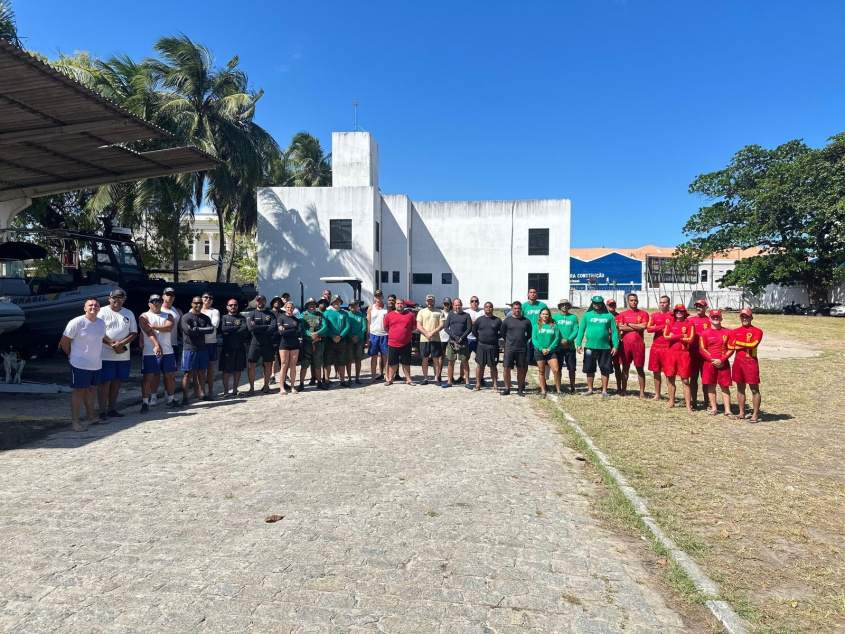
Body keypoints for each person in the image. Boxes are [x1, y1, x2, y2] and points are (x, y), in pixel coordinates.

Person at [60, 298, 108, 431]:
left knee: (92, 389)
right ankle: (75, 422)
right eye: (90, 305)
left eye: (96, 305)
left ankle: (91, 417)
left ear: (99, 308)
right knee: (79, 391)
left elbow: (101, 339)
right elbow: (64, 342)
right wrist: (70, 355)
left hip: (96, 363)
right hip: (79, 364)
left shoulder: (101, 323)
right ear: (85, 308)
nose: (93, 307)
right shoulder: (77, 322)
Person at [97, 288, 138, 420]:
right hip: (105, 353)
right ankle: (102, 411)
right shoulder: (102, 311)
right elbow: (98, 331)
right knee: (105, 382)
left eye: (121, 298)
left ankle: (112, 408)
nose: (118, 301)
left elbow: (134, 332)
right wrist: (113, 344)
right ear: (110, 299)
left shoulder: (128, 313)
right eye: (115, 298)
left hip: (123, 354)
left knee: (116, 381)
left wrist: (121, 344)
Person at [138, 294, 177, 413]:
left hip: (168, 350)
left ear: (161, 302)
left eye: (158, 301)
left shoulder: (168, 315)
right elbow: (147, 332)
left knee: (170, 375)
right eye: (153, 301)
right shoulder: (144, 316)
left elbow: (169, 328)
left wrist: (154, 326)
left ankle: (170, 399)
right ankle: (145, 403)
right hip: (150, 352)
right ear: (149, 303)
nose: (156, 304)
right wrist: (157, 345)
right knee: (148, 377)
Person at [575, 296, 619, 398]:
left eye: (599, 303)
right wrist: (578, 344)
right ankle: (590, 389)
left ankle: (604, 390)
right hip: (590, 347)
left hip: (605, 347)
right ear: (592, 303)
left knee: (605, 369)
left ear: (602, 303)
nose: (597, 305)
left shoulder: (609, 316)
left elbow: (614, 332)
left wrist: (615, 346)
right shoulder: (587, 316)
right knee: (589, 368)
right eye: (595, 303)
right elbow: (581, 330)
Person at [729, 308, 763, 423]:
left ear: (751, 318)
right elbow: (730, 346)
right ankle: (741, 412)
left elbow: (753, 345)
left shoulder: (757, 331)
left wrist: (738, 343)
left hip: (750, 361)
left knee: (754, 389)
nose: (744, 319)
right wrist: (743, 345)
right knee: (740, 388)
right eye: (742, 317)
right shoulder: (735, 331)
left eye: (747, 317)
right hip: (738, 361)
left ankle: (755, 414)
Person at [180, 296, 215, 403]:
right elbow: (188, 331)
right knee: (188, 373)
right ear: (192, 304)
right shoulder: (186, 317)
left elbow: (211, 329)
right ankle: (185, 397)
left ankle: (202, 394)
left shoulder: (205, 318)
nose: (198, 305)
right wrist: (202, 330)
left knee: (201, 372)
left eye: (200, 303)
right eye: (196, 303)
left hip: (202, 348)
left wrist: (197, 329)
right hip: (190, 349)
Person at [699, 309, 733, 416]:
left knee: (725, 386)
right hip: (709, 363)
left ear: (721, 318)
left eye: (717, 317)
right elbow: (702, 349)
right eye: (713, 317)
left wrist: (721, 360)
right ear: (709, 319)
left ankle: (727, 410)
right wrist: (712, 360)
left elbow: (731, 348)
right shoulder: (704, 333)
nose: (715, 319)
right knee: (711, 386)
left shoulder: (728, 332)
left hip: (723, 363)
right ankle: (714, 408)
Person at [152, 286, 182, 405]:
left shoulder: (177, 311)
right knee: (155, 372)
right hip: (157, 345)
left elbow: (181, 329)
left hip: (172, 345)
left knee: (170, 373)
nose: (169, 296)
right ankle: (153, 396)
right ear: (163, 296)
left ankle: (169, 395)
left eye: (172, 295)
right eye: (167, 294)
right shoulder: (157, 309)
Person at [662, 304, 695, 412]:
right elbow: (666, 337)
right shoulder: (670, 323)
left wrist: (674, 336)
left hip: (683, 354)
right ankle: (671, 401)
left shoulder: (690, 323)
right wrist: (681, 335)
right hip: (671, 354)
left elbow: (690, 339)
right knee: (670, 377)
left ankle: (688, 405)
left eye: (681, 311)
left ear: (685, 312)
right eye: (677, 311)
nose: (679, 313)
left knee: (685, 380)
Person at [615, 293, 649, 398]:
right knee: (625, 367)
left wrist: (629, 324)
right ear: (627, 301)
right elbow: (621, 327)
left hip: (638, 344)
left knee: (639, 368)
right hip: (625, 344)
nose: (633, 302)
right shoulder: (623, 314)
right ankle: (624, 390)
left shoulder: (643, 313)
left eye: (635, 300)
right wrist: (636, 327)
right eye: (631, 300)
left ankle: (642, 392)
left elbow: (644, 326)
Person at [500, 301, 532, 396]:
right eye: (515, 308)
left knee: (521, 369)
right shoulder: (507, 320)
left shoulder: (526, 321)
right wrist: (508, 341)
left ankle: (520, 389)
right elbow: (502, 333)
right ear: (512, 309)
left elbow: (529, 334)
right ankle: (507, 388)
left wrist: (523, 341)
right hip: (510, 348)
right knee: (506, 368)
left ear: (521, 309)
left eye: (519, 308)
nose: (517, 310)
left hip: (522, 348)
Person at [245, 294, 276, 395]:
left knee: (268, 364)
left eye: (262, 300)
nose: (260, 302)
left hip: (267, 343)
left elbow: (272, 328)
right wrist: (265, 326)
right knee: (251, 365)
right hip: (255, 343)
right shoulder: (251, 314)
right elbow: (250, 328)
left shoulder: (271, 314)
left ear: (265, 302)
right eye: (258, 300)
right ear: (256, 302)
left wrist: (258, 327)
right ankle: (251, 388)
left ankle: (266, 386)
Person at [383, 297, 416, 386]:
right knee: (392, 363)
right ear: (395, 304)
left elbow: (413, 327)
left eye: (401, 303)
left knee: (406, 363)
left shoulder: (410, 315)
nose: (399, 305)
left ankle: (408, 379)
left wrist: (406, 334)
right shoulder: (389, 315)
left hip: (406, 343)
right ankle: (390, 379)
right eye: (398, 303)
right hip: (393, 343)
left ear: (404, 305)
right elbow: (386, 328)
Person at [646, 295, 674, 401]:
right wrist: (662, 327)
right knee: (655, 371)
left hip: (668, 347)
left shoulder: (673, 315)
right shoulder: (654, 315)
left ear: (669, 303)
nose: (662, 304)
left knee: (668, 372)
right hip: (656, 347)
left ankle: (671, 396)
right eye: (661, 302)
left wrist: (656, 327)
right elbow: (649, 329)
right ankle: (657, 394)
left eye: (665, 302)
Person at [470, 301, 502, 391]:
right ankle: (478, 384)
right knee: (480, 365)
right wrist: (480, 337)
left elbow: (502, 332)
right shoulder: (479, 320)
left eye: (490, 307)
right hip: (481, 346)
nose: (488, 308)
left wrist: (495, 337)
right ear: (484, 308)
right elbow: (474, 331)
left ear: (492, 308)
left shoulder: (497, 320)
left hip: (493, 347)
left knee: (493, 366)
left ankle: (495, 385)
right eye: (487, 307)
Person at [219, 299, 247, 398]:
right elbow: (223, 329)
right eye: (231, 305)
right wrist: (236, 327)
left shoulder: (242, 318)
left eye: (235, 305)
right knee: (226, 371)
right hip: (227, 348)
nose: (233, 307)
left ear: (237, 306)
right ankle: (226, 391)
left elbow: (243, 329)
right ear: (227, 307)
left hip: (239, 347)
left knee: (238, 370)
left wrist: (231, 330)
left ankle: (235, 389)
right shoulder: (224, 318)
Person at [686, 299, 711, 410]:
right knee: (693, 377)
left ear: (706, 308)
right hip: (693, 352)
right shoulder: (690, 320)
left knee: (706, 378)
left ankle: (707, 402)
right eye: (697, 306)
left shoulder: (710, 321)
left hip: (705, 352)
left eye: (701, 306)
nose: (699, 308)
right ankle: (694, 401)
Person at [532, 307, 562, 398]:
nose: (545, 316)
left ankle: (559, 390)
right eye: (543, 314)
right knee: (541, 371)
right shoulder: (536, 326)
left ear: (549, 315)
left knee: (556, 370)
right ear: (540, 315)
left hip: (551, 352)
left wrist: (549, 348)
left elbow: (557, 338)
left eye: (547, 314)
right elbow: (534, 339)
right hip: (539, 352)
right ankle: (543, 391)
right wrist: (541, 349)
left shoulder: (554, 326)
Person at [442, 298, 472, 388]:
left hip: (463, 342)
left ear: (461, 305)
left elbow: (469, 328)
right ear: (453, 305)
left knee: (464, 361)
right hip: (452, 342)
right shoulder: (450, 315)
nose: (457, 307)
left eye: (459, 305)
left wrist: (461, 338)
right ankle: (449, 381)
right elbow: (446, 328)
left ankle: (467, 382)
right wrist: (455, 338)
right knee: (451, 362)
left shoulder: (466, 315)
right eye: (456, 305)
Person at [323, 295, 351, 387]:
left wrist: (341, 336)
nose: (336, 302)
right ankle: (326, 381)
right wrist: (332, 336)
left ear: (340, 302)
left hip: (341, 340)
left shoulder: (345, 313)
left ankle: (342, 380)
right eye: (335, 301)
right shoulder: (327, 313)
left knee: (342, 361)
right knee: (328, 361)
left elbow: (347, 326)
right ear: (332, 302)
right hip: (330, 340)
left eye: (338, 301)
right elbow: (325, 326)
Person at [416, 294, 444, 385]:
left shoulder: (439, 311)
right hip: (424, 339)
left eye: (431, 301)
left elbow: (441, 324)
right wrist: (426, 334)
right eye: (428, 301)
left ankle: (436, 378)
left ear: (434, 301)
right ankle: (425, 378)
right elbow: (418, 325)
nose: (430, 302)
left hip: (435, 339)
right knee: (424, 359)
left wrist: (432, 333)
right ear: (425, 302)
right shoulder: (422, 312)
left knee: (436, 359)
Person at [300, 298, 327, 390]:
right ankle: (301, 383)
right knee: (305, 363)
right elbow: (302, 327)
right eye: (310, 304)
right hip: (307, 342)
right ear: (307, 305)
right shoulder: (303, 315)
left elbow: (325, 326)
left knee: (318, 362)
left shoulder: (320, 315)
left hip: (318, 342)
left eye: (314, 304)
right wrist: (309, 334)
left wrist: (317, 334)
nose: (312, 306)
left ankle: (319, 382)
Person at [553, 299, 579, 395]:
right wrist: (560, 340)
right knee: (558, 368)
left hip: (570, 347)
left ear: (569, 306)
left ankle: (572, 387)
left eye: (566, 305)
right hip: (558, 347)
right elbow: (553, 330)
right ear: (559, 306)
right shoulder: (554, 318)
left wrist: (568, 340)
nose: (564, 306)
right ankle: (558, 387)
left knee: (571, 368)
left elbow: (576, 330)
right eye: (562, 305)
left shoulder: (574, 317)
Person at [276, 301, 302, 394]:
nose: (289, 309)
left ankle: (292, 387)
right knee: (283, 365)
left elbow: (299, 332)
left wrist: (286, 330)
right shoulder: (281, 318)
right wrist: (292, 330)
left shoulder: (297, 320)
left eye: (291, 308)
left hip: (295, 344)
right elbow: (281, 333)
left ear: (293, 308)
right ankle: (282, 387)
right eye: (288, 307)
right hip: (284, 344)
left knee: (293, 365)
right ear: (285, 308)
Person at [201, 292, 220, 397]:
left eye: (210, 298)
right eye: (206, 297)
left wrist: (198, 329)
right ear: (202, 298)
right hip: (198, 343)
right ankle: (200, 391)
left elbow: (214, 326)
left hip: (211, 342)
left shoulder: (215, 311)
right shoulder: (194, 310)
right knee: (199, 368)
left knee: (210, 366)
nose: (208, 299)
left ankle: (211, 390)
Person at [367, 291, 388, 384]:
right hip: (373, 334)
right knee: (374, 357)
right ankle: (373, 377)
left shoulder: (387, 308)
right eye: (376, 296)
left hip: (384, 335)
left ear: (382, 296)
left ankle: (387, 376)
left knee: (385, 357)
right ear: (374, 297)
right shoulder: (371, 308)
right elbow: (368, 323)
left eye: (380, 295)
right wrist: (367, 337)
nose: (378, 297)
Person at [345, 299, 368, 384]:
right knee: (349, 359)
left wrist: (357, 336)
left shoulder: (361, 315)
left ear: (357, 306)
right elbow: (345, 327)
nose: (352, 307)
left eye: (354, 305)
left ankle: (357, 377)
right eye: (351, 305)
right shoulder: (347, 315)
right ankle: (349, 377)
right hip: (349, 339)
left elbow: (364, 328)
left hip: (359, 340)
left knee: (358, 359)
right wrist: (351, 336)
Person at [523, 288, 547, 365]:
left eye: (534, 292)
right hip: (528, 332)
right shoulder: (524, 306)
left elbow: (547, 316)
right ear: (528, 294)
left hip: (540, 331)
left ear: (537, 294)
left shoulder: (542, 305)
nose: (532, 294)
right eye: (531, 292)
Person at [606, 299, 624, 394]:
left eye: (613, 305)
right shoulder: (604, 316)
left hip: (615, 343)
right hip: (605, 343)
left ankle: (619, 387)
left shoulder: (619, 316)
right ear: (607, 305)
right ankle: (605, 386)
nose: (611, 306)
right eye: (610, 305)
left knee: (617, 365)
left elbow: (621, 328)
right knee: (605, 365)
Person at [268, 296, 284, 385]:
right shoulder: (269, 313)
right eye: (275, 301)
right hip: (271, 339)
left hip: (282, 339)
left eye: (279, 301)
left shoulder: (283, 313)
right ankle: (272, 375)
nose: (277, 303)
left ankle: (284, 376)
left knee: (284, 359)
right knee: (273, 358)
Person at [437, 298, 452, 382]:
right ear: (443, 304)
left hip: (450, 338)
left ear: (450, 304)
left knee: (451, 358)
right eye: (445, 304)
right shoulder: (440, 313)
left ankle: (450, 376)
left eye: (448, 304)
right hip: (441, 338)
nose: (446, 306)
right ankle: (439, 374)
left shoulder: (453, 313)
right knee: (441, 358)